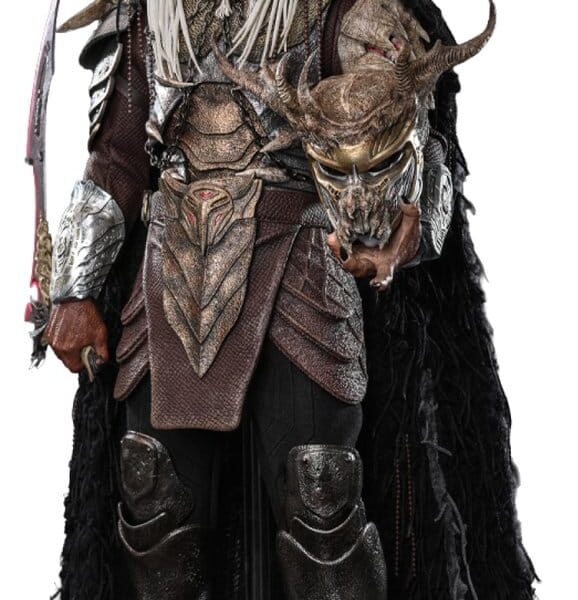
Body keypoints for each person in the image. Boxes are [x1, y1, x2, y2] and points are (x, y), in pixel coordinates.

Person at [44, 1, 537, 598]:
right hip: (171, 273)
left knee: (321, 502)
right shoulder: (146, 14)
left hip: (304, 264)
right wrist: (74, 289)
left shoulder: (348, 11)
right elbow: (115, 163)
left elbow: (411, 140)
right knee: (155, 509)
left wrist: (402, 230)